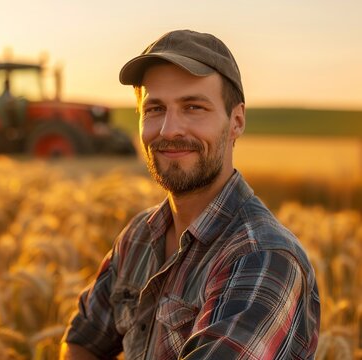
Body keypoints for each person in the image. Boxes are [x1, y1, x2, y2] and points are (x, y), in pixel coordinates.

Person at [60, 30, 320, 359]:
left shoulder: (263, 257)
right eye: (154, 109)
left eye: (194, 107)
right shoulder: (138, 238)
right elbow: (84, 341)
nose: (169, 130)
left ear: (236, 121)